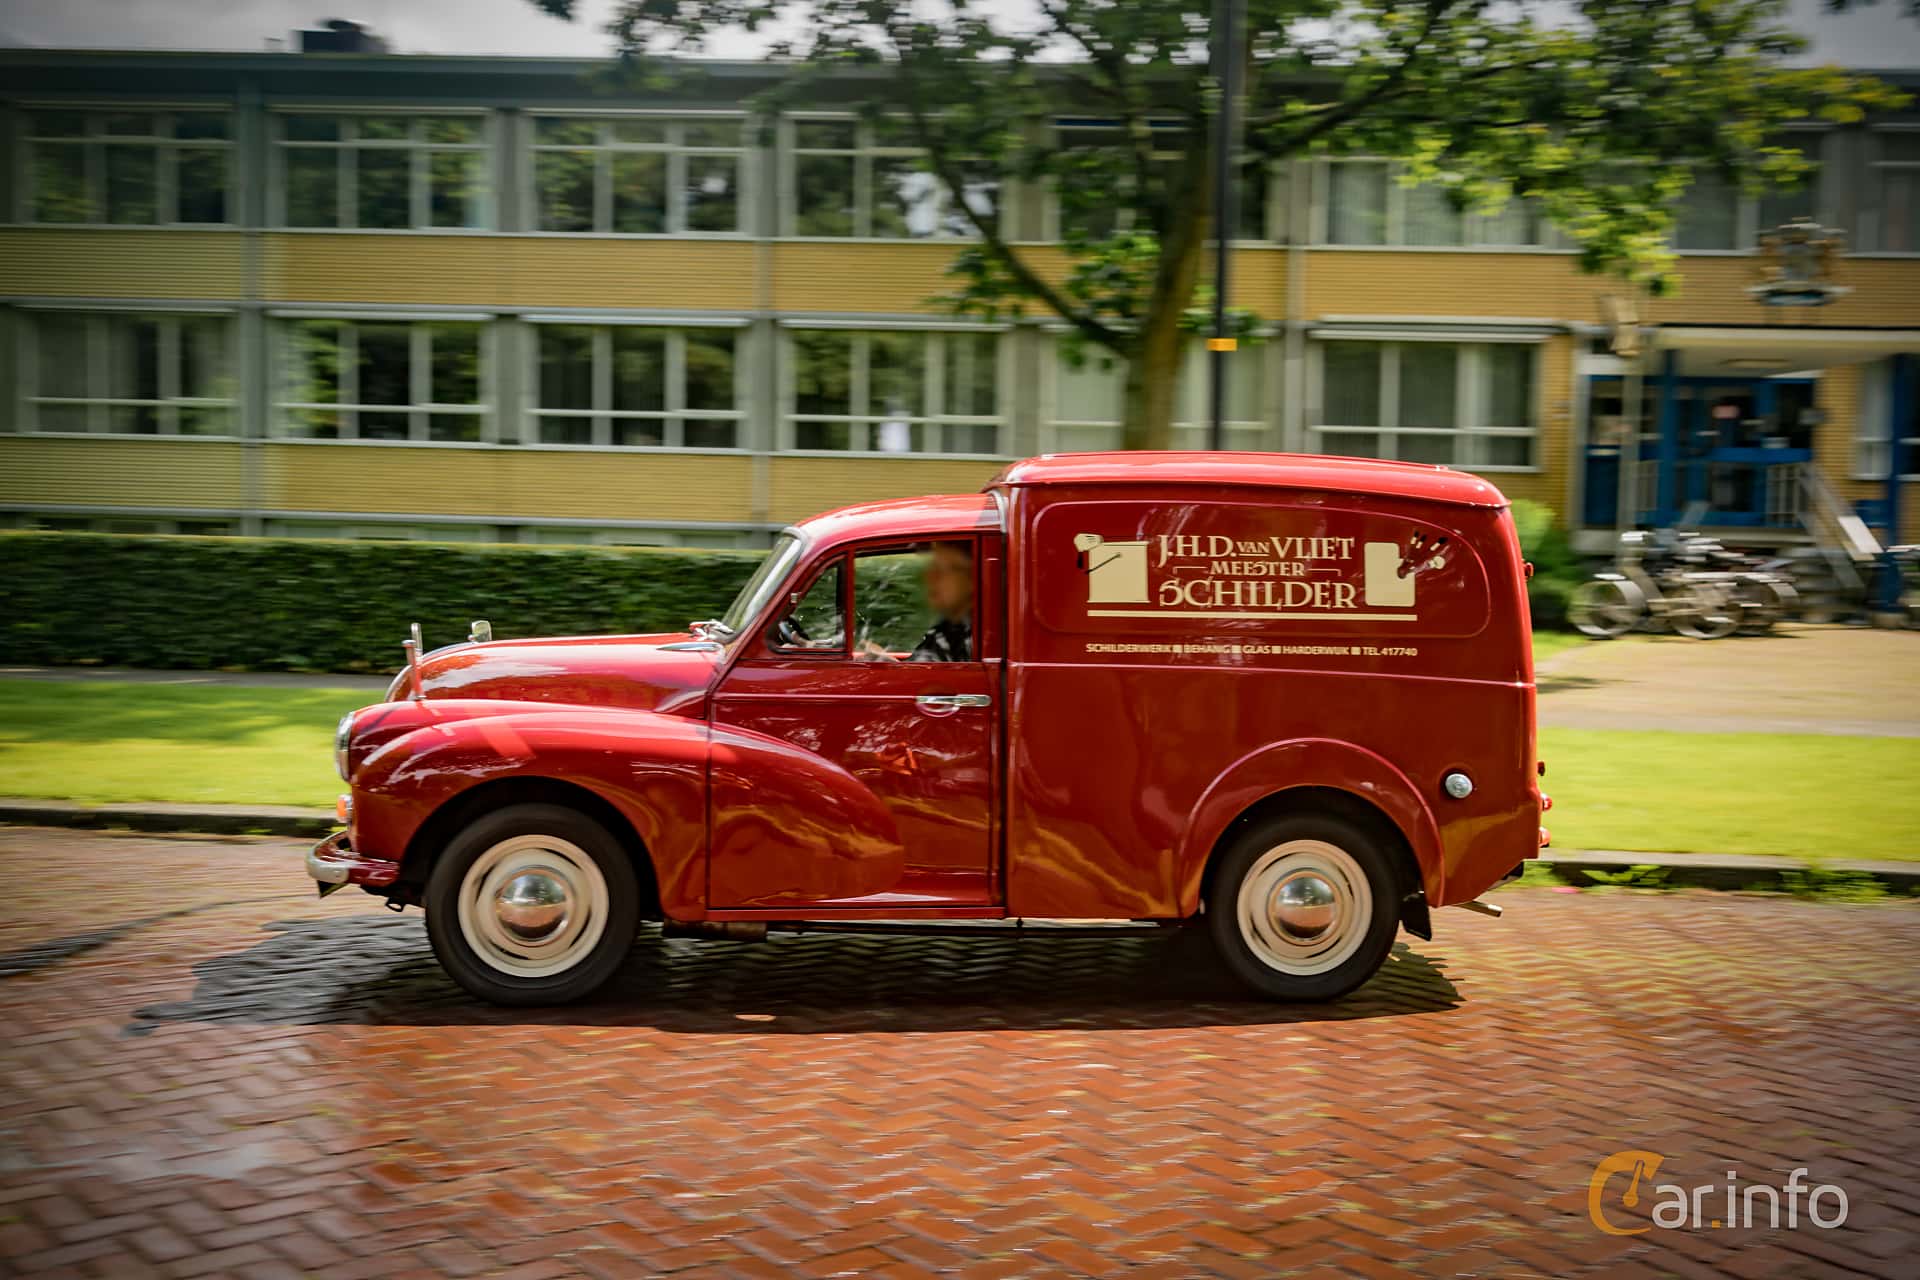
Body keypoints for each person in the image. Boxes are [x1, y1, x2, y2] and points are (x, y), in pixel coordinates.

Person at [910, 541, 973, 661]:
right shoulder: (951, 627)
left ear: (972, 577)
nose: (931, 577)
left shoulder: (974, 638)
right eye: (933, 567)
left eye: (943, 569)